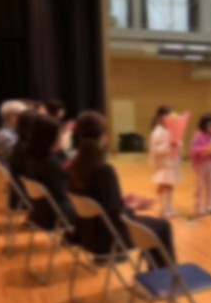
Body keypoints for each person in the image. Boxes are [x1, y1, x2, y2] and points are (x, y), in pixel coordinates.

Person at [68, 111, 175, 267]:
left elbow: (97, 200)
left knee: (154, 226)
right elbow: (116, 214)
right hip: (108, 237)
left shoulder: (73, 165)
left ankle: (158, 274)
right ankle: (164, 277)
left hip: (87, 234)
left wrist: (121, 199)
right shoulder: (103, 170)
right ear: (104, 135)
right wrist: (134, 206)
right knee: (163, 226)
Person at [25, 114, 75, 231]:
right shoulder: (50, 164)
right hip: (58, 215)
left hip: (39, 213)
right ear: (50, 137)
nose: (61, 138)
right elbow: (64, 192)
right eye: (59, 134)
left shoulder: (32, 158)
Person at [149, 105, 182, 218]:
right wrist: (169, 145)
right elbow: (156, 149)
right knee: (162, 185)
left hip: (171, 163)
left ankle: (169, 207)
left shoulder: (172, 130)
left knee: (170, 185)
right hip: (162, 164)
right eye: (167, 116)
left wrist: (178, 144)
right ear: (161, 117)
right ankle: (162, 209)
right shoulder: (157, 132)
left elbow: (178, 143)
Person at [189, 113, 211, 215]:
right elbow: (193, 148)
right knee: (200, 185)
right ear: (205, 124)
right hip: (200, 163)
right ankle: (198, 205)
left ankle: (209, 205)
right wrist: (205, 149)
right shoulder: (198, 134)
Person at [0, 100, 27, 166]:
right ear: (13, 118)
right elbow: (21, 156)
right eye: (23, 116)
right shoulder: (4, 135)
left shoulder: (14, 131)